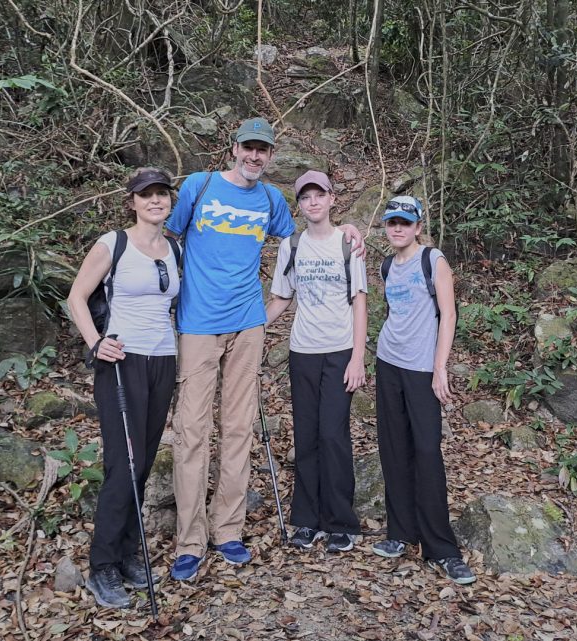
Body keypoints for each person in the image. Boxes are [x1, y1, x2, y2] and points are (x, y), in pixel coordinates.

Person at [164, 117, 364, 581]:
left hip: (248, 327)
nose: (254, 156)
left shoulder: (273, 201)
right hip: (197, 325)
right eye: (248, 147)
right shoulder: (200, 186)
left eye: (263, 150)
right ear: (233, 148)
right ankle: (189, 541)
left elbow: (313, 230)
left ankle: (227, 531)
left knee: (238, 430)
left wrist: (351, 226)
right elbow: (166, 238)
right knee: (192, 431)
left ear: (271, 156)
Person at [66, 167, 181, 608]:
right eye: (146, 195)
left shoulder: (173, 248)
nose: (155, 201)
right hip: (121, 362)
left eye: (161, 195)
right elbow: (77, 297)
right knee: (124, 462)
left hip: (161, 360)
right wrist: (96, 344)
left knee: (146, 459)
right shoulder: (112, 244)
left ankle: (129, 552)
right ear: (132, 202)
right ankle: (102, 566)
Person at [370, 195, 476, 585]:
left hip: (420, 369)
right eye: (391, 222)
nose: (397, 228)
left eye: (404, 222)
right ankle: (400, 532)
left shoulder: (433, 261)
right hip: (388, 363)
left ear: (417, 226)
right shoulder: (386, 266)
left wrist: (439, 367)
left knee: (427, 451)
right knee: (394, 448)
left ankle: (442, 548)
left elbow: (448, 314)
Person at [265, 170, 366, 553]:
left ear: (331, 199)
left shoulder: (348, 245)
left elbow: (359, 301)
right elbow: (280, 299)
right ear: (300, 205)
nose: (313, 202)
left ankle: (341, 521)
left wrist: (358, 357)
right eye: (305, 197)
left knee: (333, 435)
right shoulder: (291, 246)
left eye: (319, 195)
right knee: (306, 436)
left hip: (339, 351)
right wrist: (249, 328)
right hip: (302, 351)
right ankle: (306, 520)